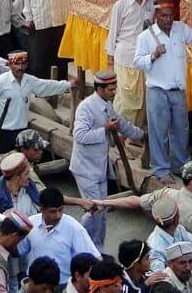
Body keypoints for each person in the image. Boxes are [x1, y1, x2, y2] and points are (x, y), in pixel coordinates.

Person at [132, 1, 192, 182]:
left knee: (181, 130)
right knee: (159, 131)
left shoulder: (180, 28)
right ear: (157, 16)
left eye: (170, 16)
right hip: (157, 91)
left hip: (178, 91)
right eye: (164, 16)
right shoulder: (145, 37)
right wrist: (153, 55)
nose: (168, 20)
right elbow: (136, 62)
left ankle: (180, 165)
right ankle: (161, 170)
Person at [70, 69, 145, 249]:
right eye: (111, 89)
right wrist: (104, 129)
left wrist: (142, 135)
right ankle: (79, 244)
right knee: (95, 212)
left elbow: (122, 125)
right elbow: (79, 135)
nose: (114, 92)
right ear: (100, 89)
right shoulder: (86, 108)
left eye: (115, 88)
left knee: (101, 214)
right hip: (85, 169)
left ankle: (97, 250)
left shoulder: (107, 104)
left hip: (99, 169)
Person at [0, 50, 71, 152]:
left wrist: (69, 85)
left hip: (22, 131)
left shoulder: (29, 81)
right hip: (2, 132)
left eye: (23, 64)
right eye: (16, 64)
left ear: (26, 64)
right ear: (9, 64)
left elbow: (47, 86)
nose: (20, 67)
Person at [106, 0, 155, 127]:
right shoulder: (120, 5)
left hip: (145, 58)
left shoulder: (151, 2)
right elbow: (112, 34)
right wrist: (110, 62)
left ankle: (136, 133)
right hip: (125, 58)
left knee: (142, 99)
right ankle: (119, 131)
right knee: (126, 98)